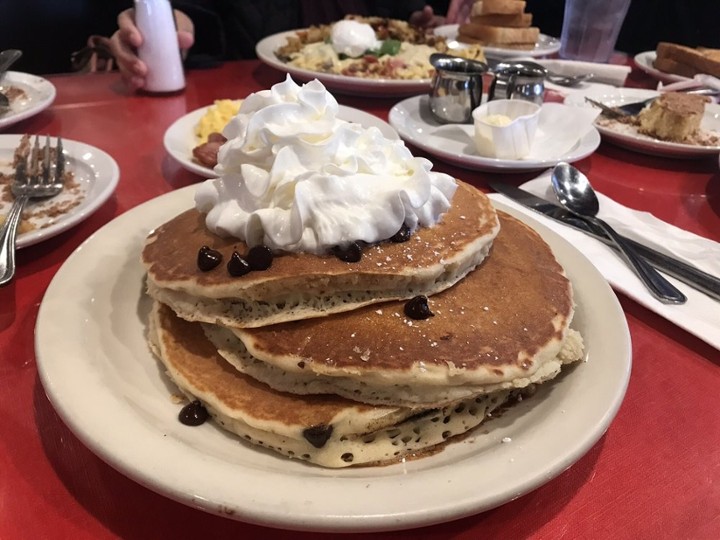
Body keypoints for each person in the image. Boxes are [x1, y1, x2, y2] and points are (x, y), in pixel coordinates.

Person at [109, 1, 451, 90]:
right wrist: (166, 26)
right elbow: (197, 16)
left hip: (401, 110)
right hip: (260, 88)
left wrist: (417, 21)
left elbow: (403, 12)